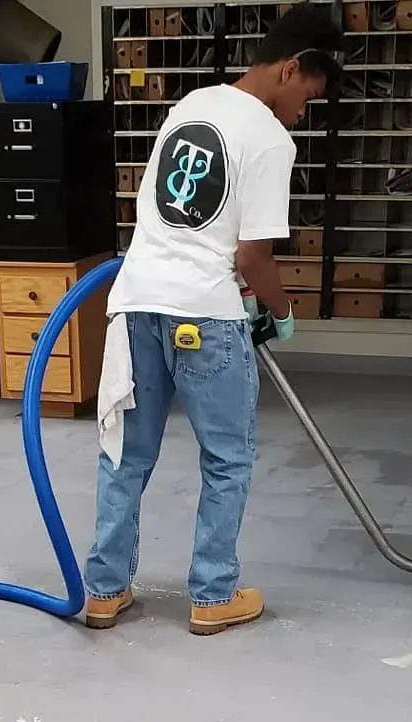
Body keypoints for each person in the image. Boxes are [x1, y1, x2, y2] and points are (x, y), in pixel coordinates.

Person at [84, 3, 342, 635]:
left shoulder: (191, 104)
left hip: (138, 303)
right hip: (206, 314)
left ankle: (104, 590)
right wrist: (280, 310)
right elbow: (252, 252)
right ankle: (212, 595)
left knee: (125, 454)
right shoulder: (270, 138)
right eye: (308, 95)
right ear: (291, 68)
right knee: (227, 459)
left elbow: (175, 217)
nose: (304, 112)